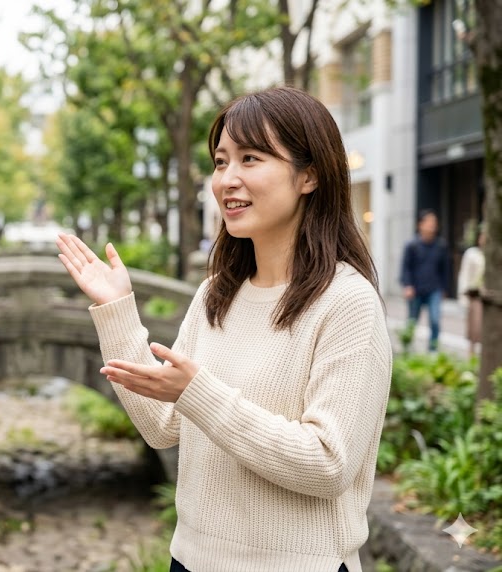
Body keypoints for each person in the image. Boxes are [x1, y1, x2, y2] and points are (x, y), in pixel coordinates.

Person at [57, 86, 391, 572]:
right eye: (220, 162)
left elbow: (327, 463)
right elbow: (162, 425)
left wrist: (199, 392)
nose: (227, 180)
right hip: (191, 560)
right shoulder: (218, 293)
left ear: (310, 175)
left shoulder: (347, 302)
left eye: (250, 158)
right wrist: (117, 311)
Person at [400, 209, 450, 352]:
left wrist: (444, 289)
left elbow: (446, 269)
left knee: (435, 320)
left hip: (434, 289)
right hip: (415, 290)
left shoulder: (441, 246)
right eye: (428, 222)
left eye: (434, 222)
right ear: (420, 225)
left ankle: (433, 350)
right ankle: (406, 350)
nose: (432, 225)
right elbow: (406, 267)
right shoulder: (412, 245)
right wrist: (407, 285)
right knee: (412, 321)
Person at [457, 224, 486, 357]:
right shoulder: (472, 254)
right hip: (474, 297)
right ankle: (471, 358)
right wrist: (463, 298)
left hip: (489, 298)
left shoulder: (494, 255)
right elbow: (464, 276)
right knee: (474, 331)